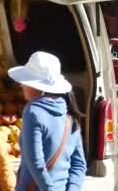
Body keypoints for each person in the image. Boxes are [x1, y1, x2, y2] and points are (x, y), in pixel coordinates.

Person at [8, 51, 86, 191]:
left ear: (36, 87)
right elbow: (79, 164)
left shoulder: (33, 111)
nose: (21, 86)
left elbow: (36, 163)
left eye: (25, 82)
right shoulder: (70, 115)